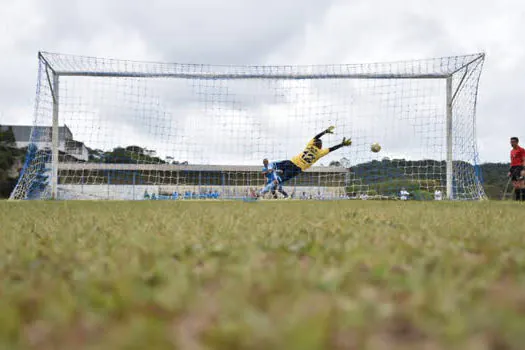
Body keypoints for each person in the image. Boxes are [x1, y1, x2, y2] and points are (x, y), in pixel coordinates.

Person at [259, 126, 351, 196]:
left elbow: (316, 136)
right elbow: (332, 149)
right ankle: (262, 192)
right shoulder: (320, 153)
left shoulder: (309, 145)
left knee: (273, 164)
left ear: (314, 143)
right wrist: (342, 144)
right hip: (296, 169)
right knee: (278, 181)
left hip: (290, 162)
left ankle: (269, 173)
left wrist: (325, 131)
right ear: (321, 146)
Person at [508, 137, 525, 201]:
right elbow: (512, 161)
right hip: (513, 168)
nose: (512, 143)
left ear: (517, 142)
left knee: (522, 184)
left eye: (513, 142)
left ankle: (523, 200)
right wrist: (510, 170)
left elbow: (524, 160)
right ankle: (517, 200)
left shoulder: (521, 150)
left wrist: (523, 169)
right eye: (511, 142)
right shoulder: (511, 151)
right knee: (515, 185)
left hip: (520, 167)